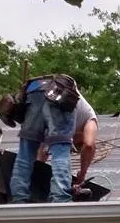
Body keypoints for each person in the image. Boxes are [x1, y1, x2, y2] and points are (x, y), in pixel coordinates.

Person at [9, 75, 98, 203]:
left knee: (25, 153)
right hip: (59, 93)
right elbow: (89, 145)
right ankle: (61, 197)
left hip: (33, 91)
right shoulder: (90, 117)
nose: (71, 142)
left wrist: (40, 180)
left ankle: (18, 197)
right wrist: (82, 174)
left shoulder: (51, 126)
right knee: (61, 151)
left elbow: (40, 158)